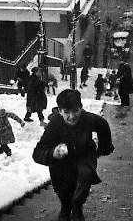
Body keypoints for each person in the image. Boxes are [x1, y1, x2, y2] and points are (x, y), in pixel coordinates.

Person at [33, 89, 114, 221]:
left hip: (84, 155)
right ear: (60, 111)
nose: (72, 116)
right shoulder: (54, 124)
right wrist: (53, 153)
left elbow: (103, 125)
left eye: (75, 111)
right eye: (66, 112)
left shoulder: (88, 119)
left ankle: (77, 207)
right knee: (63, 187)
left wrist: (104, 148)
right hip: (62, 162)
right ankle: (65, 207)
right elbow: (37, 153)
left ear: (81, 108)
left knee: (85, 174)